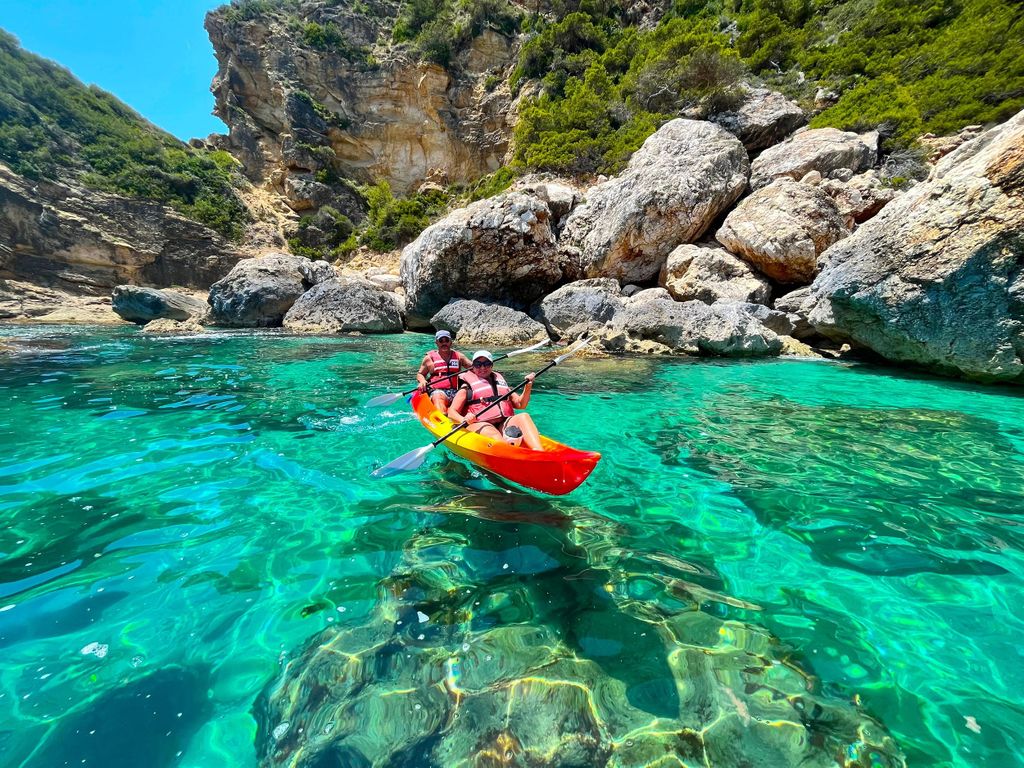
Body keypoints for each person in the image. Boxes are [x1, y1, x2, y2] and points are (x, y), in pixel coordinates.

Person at [447, 350, 543, 451]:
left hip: (502, 423)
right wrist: (463, 419)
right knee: (496, 437)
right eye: (478, 364)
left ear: (492, 366)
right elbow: (451, 412)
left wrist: (528, 386)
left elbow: (520, 404)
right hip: (479, 424)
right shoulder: (466, 388)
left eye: (486, 364)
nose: (482, 368)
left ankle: (540, 453)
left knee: (524, 416)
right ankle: (508, 456)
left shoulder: (500, 383)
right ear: (473, 367)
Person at [417, 330, 472, 412]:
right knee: (438, 397)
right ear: (436, 342)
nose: (444, 343)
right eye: (441, 341)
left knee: (467, 395)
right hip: (437, 391)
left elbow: (474, 368)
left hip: (455, 391)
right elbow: (420, 374)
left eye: (446, 340)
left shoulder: (459, 356)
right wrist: (422, 381)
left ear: (451, 342)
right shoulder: (429, 358)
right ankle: (442, 417)